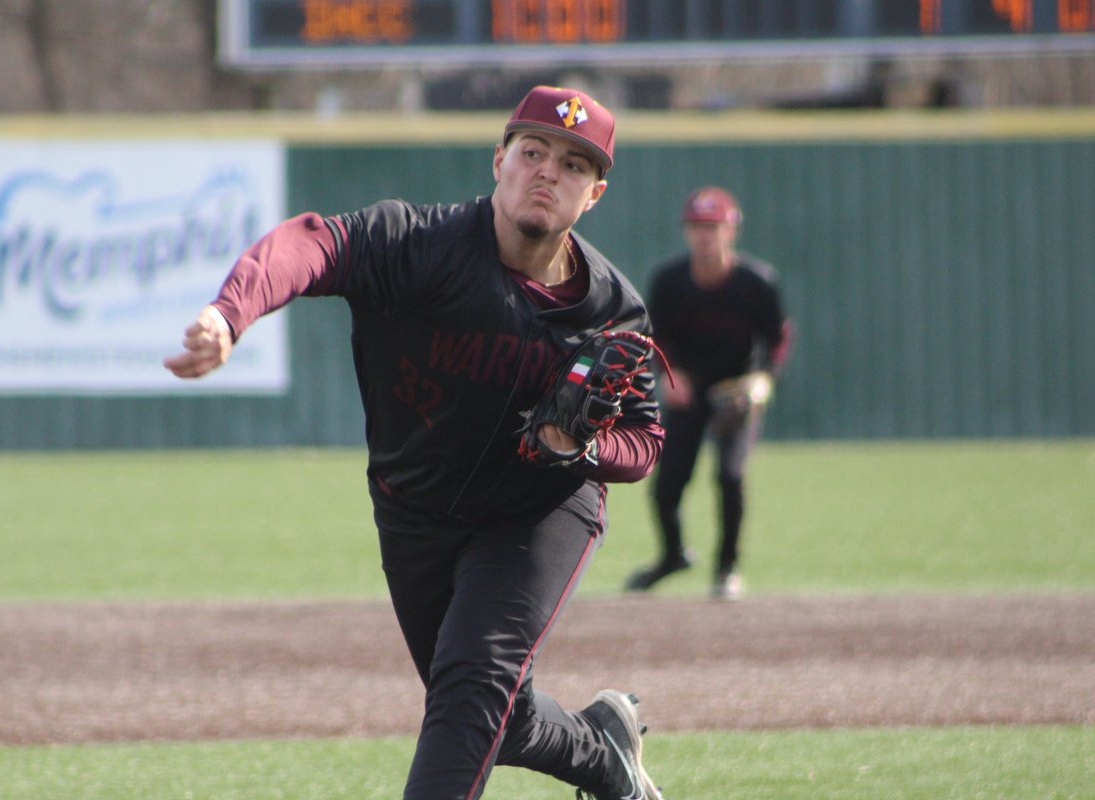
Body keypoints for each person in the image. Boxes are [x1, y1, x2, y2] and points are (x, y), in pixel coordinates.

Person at [164, 86, 667, 800]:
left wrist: (579, 448)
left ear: (595, 194)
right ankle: (604, 752)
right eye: (533, 152)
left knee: (472, 687)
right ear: (498, 161)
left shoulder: (611, 309)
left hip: (536, 512)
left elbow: (644, 440)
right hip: (415, 510)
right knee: (493, 712)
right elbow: (313, 244)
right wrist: (229, 312)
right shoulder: (417, 245)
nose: (548, 172)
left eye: (574, 165)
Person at [626, 187, 792, 601]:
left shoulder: (756, 282)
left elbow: (779, 337)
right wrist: (669, 375)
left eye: (713, 227)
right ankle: (673, 555)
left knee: (730, 476)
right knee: (666, 486)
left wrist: (764, 379)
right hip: (690, 389)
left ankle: (726, 568)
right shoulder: (670, 280)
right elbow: (654, 335)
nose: (704, 235)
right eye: (697, 226)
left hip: (736, 391)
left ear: (731, 230)